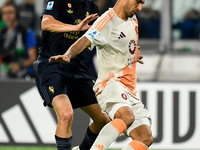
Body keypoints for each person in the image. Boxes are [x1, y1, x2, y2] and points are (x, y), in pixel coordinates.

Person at [49, 0, 154, 150]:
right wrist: (68, 54)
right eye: (138, 2)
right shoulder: (107, 21)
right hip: (110, 84)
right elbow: (85, 39)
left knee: (145, 137)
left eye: (142, 3)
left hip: (130, 89)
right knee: (126, 117)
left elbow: (127, 42)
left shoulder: (133, 18)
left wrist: (134, 52)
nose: (140, 7)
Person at [33, 0, 110, 150]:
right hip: (51, 65)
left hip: (76, 67)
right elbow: (46, 23)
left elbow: (101, 34)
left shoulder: (91, 7)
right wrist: (76, 27)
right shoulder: (57, 2)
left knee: (102, 119)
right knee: (66, 115)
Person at [0, 2, 37, 78]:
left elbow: (33, 58)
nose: (7, 16)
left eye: (10, 13)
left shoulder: (27, 32)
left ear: (16, 14)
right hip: (6, 68)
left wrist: (20, 65)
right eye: (4, 13)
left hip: (24, 70)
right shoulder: (2, 33)